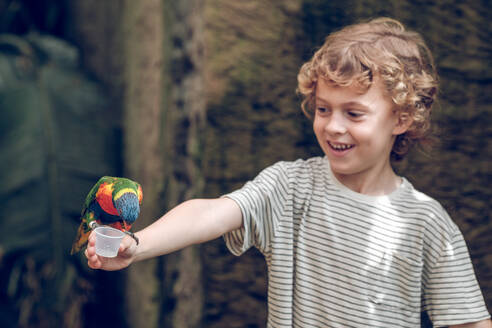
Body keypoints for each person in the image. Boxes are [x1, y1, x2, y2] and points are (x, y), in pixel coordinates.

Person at [85, 17, 491, 327]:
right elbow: (209, 212)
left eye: (354, 113)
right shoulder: (290, 186)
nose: (333, 126)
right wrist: (138, 245)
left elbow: (470, 321)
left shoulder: (427, 222)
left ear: (401, 118)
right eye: (323, 108)